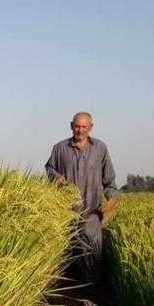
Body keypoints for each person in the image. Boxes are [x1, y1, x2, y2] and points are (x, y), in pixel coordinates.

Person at [45, 112, 119, 284]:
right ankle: (66, 299)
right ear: (72, 126)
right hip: (66, 213)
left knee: (93, 256)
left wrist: (112, 200)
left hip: (92, 213)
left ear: (90, 127)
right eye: (77, 126)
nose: (80, 130)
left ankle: (91, 296)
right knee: (66, 257)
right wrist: (57, 178)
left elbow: (109, 180)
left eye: (84, 127)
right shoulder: (60, 148)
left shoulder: (100, 148)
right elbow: (49, 168)